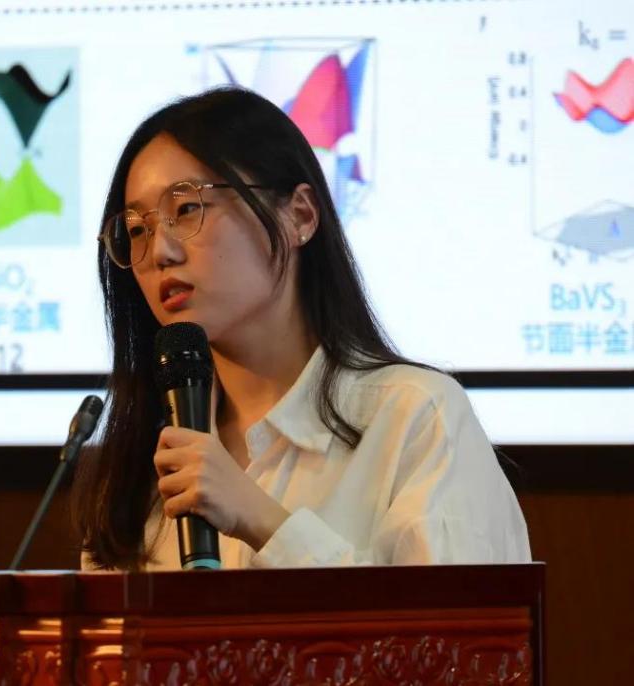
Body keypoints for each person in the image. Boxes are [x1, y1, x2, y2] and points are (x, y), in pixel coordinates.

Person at [72, 87, 530, 571]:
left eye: (186, 209)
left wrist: (262, 520)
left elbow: (451, 618)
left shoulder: (414, 417)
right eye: (137, 230)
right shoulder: (139, 470)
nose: (160, 252)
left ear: (300, 215)